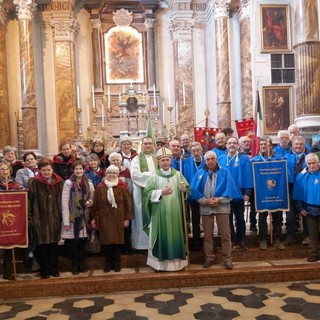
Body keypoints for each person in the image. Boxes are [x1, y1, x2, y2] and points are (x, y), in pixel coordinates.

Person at [190, 151, 242, 270]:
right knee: (208, 235)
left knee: (225, 234)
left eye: (212, 158)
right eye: (207, 159)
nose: (210, 161)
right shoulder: (200, 173)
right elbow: (194, 191)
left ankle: (227, 259)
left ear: (216, 159)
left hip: (222, 207)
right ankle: (209, 258)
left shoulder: (225, 172)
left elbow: (231, 190)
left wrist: (220, 200)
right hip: (206, 207)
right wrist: (205, 201)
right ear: (205, 161)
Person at [144, 147, 190, 271]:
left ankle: (177, 263)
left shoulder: (178, 175)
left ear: (170, 161)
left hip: (176, 214)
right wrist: (160, 192)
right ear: (158, 162)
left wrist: (184, 190)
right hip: (160, 213)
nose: (165, 162)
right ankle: (160, 264)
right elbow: (147, 193)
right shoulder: (154, 177)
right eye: (162, 160)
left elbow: (188, 189)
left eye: (167, 160)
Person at [28, 158, 64, 279]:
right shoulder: (33, 182)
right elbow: (28, 201)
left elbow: (63, 201)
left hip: (55, 219)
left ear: (52, 169)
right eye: (44, 170)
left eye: (48, 170)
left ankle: (54, 268)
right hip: (40, 219)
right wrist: (30, 218)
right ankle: (45, 269)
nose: (46, 172)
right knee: (42, 246)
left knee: (54, 245)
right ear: (39, 170)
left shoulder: (59, 182)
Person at [93, 165, 132, 272]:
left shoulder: (122, 187)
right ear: (106, 174)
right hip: (104, 219)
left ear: (118, 175)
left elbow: (128, 205)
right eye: (109, 173)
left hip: (118, 218)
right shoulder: (100, 187)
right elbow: (95, 205)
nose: (112, 175)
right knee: (107, 243)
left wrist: (127, 219)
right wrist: (94, 218)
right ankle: (108, 263)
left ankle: (117, 263)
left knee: (117, 243)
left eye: (114, 173)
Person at [219, 137, 253, 250]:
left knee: (240, 218)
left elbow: (248, 176)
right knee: (227, 219)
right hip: (225, 195)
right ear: (226, 145)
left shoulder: (244, 159)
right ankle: (232, 240)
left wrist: (247, 192)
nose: (232, 145)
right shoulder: (221, 159)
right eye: (229, 143)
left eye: (234, 143)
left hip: (239, 194)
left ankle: (241, 240)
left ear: (238, 145)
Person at [61, 160, 95, 275]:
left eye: (80, 168)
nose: (79, 171)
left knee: (82, 242)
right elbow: (64, 203)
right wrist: (66, 222)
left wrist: (90, 202)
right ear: (73, 170)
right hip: (73, 218)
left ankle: (81, 263)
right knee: (74, 243)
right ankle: (74, 264)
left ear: (83, 169)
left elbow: (92, 197)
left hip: (84, 217)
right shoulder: (68, 183)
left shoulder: (88, 182)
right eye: (76, 169)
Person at [251, 137, 285, 250]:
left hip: (276, 193)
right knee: (262, 217)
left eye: (266, 144)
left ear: (271, 145)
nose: (263, 146)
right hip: (261, 194)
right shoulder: (254, 160)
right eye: (261, 144)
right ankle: (263, 239)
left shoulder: (280, 159)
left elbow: (283, 176)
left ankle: (276, 238)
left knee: (277, 216)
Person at [130, 136, 158, 250]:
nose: (148, 145)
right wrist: (152, 176)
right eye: (145, 143)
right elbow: (135, 175)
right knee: (141, 219)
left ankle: (154, 243)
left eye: (150, 143)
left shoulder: (156, 159)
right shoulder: (136, 159)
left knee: (154, 218)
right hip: (141, 193)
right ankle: (141, 245)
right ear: (141, 146)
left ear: (153, 146)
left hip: (155, 194)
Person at [292, 153, 320, 262]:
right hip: (309, 209)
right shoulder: (301, 176)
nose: (312, 165)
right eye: (309, 163)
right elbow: (298, 194)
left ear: (318, 163)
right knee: (312, 234)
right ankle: (314, 253)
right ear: (306, 164)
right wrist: (300, 208)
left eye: (314, 163)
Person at [0, 162, 24, 280]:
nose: (4, 171)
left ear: (10, 171)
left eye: (6, 169)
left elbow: (21, 198)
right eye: (2, 169)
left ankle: (8, 271)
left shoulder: (16, 185)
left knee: (9, 245)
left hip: (11, 220)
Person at [284, 135, 309, 246]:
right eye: (296, 144)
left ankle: (307, 236)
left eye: (301, 144)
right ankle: (290, 236)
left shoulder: (310, 157)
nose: (298, 146)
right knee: (290, 215)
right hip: (290, 188)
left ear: (304, 145)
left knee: (306, 213)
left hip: (306, 189)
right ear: (292, 145)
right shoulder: (286, 157)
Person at [109, 152, 133, 254]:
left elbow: (130, 188)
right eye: (113, 160)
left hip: (123, 203)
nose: (115, 162)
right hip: (110, 206)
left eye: (117, 160)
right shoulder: (107, 172)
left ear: (120, 161)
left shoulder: (126, 172)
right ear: (110, 162)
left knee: (125, 227)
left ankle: (126, 248)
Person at [183, 142, 205, 250]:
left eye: (198, 150)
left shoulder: (208, 160)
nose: (196, 153)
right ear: (190, 152)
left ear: (201, 150)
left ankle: (207, 242)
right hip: (193, 195)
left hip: (206, 195)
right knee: (195, 219)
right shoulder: (186, 163)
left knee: (207, 219)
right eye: (193, 151)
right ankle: (197, 242)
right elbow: (185, 179)